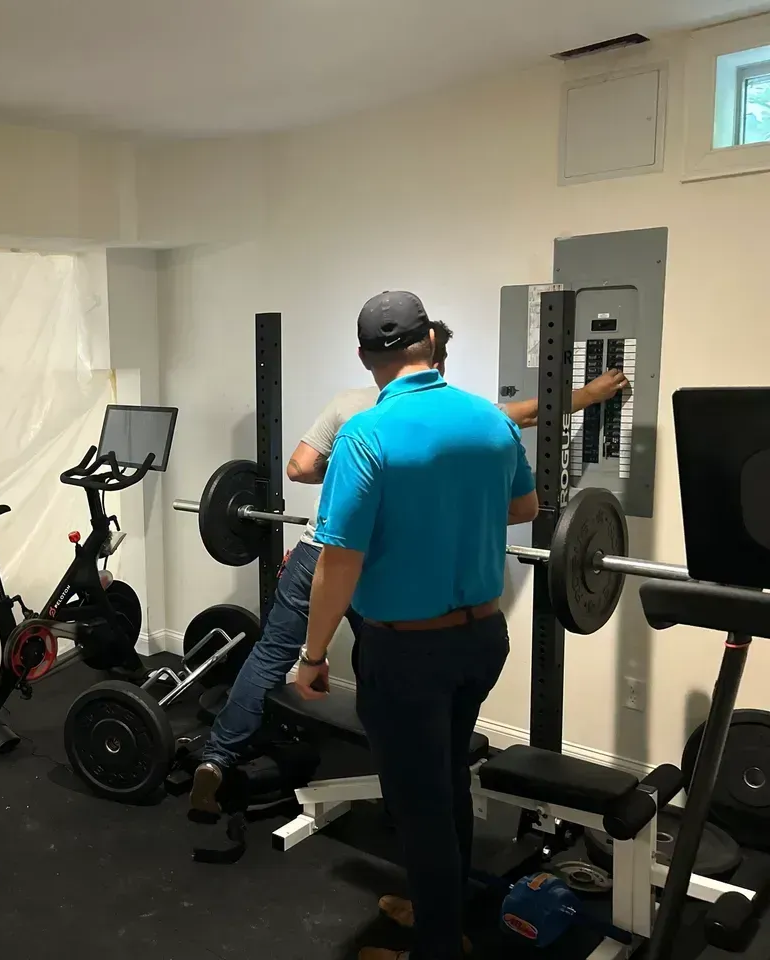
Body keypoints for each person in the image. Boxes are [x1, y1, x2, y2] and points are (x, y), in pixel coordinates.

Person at [190, 323, 626, 807]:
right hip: (382, 563)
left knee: (274, 653)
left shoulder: (351, 406)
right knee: (377, 656)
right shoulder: (468, 415)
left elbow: (299, 468)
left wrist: (353, 485)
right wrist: (589, 395)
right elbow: (527, 417)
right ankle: (393, 777)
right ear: (436, 356)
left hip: (320, 551)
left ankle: (216, 756)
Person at [296, 291, 538, 960]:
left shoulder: (367, 434)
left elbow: (337, 564)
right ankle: (438, 908)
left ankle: (437, 947)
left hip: (408, 657)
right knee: (446, 781)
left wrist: (313, 655)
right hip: (483, 642)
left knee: (420, 804)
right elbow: (525, 505)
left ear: (364, 356)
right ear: (431, 341)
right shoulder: (489, 420)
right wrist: (454, 507)